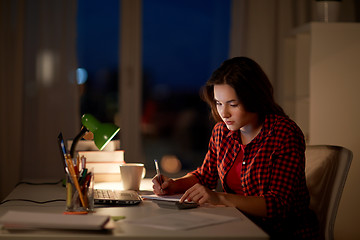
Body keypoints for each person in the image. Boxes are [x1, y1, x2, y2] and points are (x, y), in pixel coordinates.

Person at [152, 57, 319, 239]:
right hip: (238, 224)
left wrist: (221, 198)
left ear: (254, 98)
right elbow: (205, 176)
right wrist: (174, 185)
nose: (224, 113)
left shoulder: (283, 133)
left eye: (233, 104)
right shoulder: (222, 132)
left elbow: (279, 205)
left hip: (281, 232)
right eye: (218, 103)